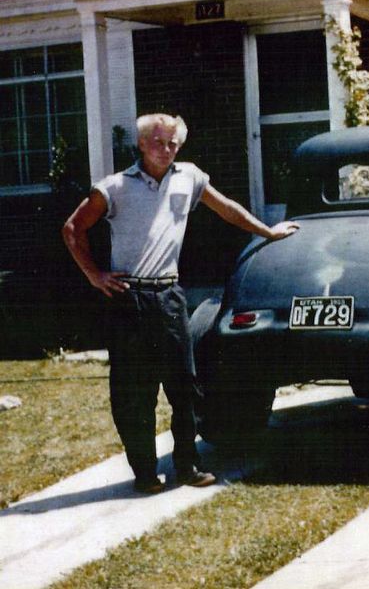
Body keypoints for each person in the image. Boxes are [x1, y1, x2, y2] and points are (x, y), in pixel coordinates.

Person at [62, 114, 299, 494]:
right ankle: (144, 472)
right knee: (133, 392)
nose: (167, 149)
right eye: (158, 142)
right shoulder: (115, 187)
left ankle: (187, 465)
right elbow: (73, 228)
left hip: (170, 296)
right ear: (141, 144)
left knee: (185, 387)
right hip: (130, 299)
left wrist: (268, 230)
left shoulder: (189, 177)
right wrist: (95, 275)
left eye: (173, 143)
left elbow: (226, 208)